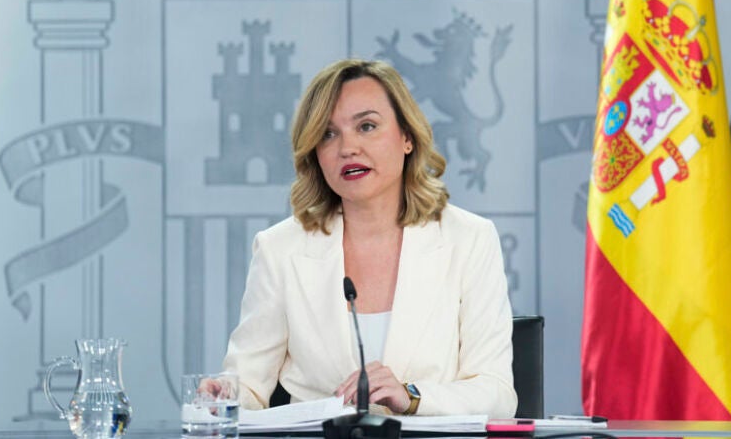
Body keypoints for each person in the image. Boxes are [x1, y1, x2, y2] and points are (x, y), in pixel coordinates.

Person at [220, 58, 517, 417]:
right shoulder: (279, 249)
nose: (347, 147)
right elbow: (247, 385)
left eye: (367, 126)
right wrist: (223, 395)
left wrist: (411, 396)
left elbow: (497, 394)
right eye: (328, 134)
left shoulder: (469, 239)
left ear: (407, 137)